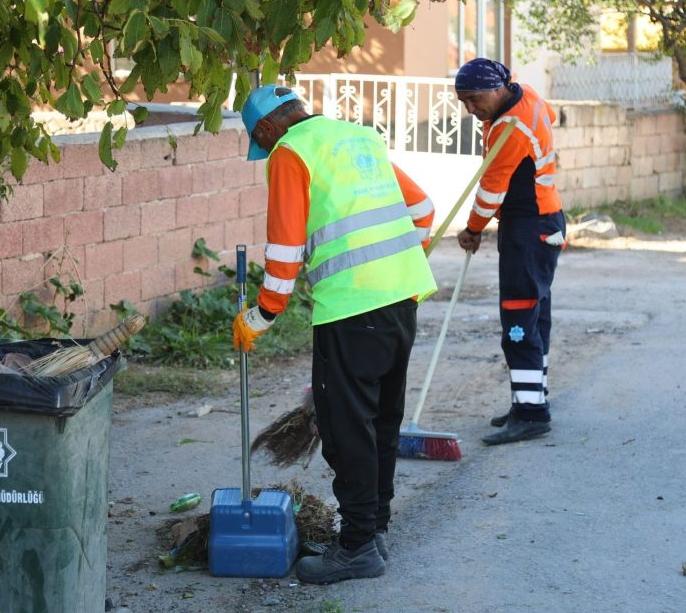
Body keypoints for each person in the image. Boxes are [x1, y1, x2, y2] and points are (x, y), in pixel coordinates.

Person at [232, 84, 437, 584]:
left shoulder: (289, 153)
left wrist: (259, 316)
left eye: (262, 143)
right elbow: (424, 210)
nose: (266, 152)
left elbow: (284, 256)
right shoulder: (358, 137)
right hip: (401, 300)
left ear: (266, 129)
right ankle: (374, 530)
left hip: (351, 310)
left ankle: (358, 547)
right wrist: (391, 270)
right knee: (382, 421)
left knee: (347, 433)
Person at [453, 58, 566, 446]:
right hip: (545, 221)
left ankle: (533, 413)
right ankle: (528, 399)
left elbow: (491, 189)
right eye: (463, 102)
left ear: (498, 88)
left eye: (474, 99)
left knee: (518, 320)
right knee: (535, 317)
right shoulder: (527, 96)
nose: (470, 110)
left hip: (528, 227)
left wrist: (472, 230)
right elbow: (552, 114)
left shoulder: (508, 128)